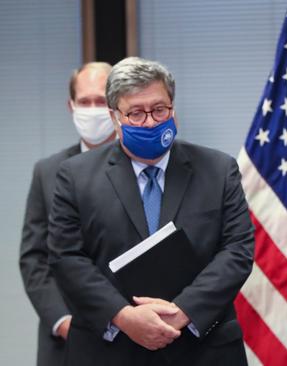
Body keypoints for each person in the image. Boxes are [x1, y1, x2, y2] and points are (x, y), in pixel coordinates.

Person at [47, 57, 254, 366]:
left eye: (159, 110)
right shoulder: (74, 176)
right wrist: (124, 317)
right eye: (136, 113)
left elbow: (237, 250)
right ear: (115, 117)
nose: (150, 122)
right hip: (109, 350)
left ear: (173, 108)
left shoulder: (219, 169)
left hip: (203, 349)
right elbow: (66, 258)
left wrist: (182, 312)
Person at [19, 61, 115, 366]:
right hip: (66, 342)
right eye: (84, 102)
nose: (92, 109)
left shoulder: (143, 169)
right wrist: (61, 320)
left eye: (101, 101)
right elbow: (34, 258)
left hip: (134, 339)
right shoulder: (48, 172)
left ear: (117, 104)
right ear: (70, 105)